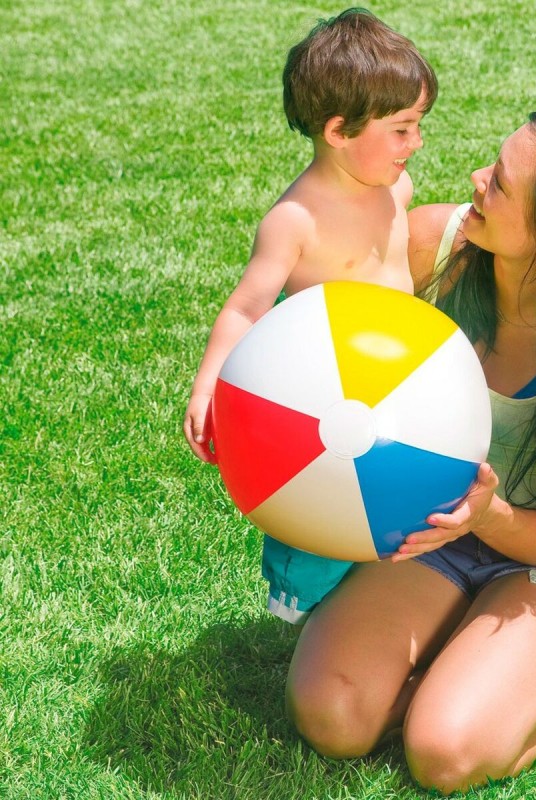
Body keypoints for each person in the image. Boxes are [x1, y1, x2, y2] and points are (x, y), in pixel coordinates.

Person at [285, 105, 536, 794]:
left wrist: (485, 514)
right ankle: (460, 655)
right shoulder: (436, 247)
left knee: (445, 754)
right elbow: (326, 337)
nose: (477, 179)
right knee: (332, 716)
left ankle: (510, 687)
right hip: (435, 531)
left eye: (501, 184)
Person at [182, 8, 437, 622]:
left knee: (396, 503)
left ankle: (379, 608)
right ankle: (299, 607)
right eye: (402, 129)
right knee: (323, 511)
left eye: (418, 126)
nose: (417, 143)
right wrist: (208, 385)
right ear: (339, 131)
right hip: (323, 401)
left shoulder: (396, 190)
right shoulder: (296, 221)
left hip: (395, 384)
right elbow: (247, 307)